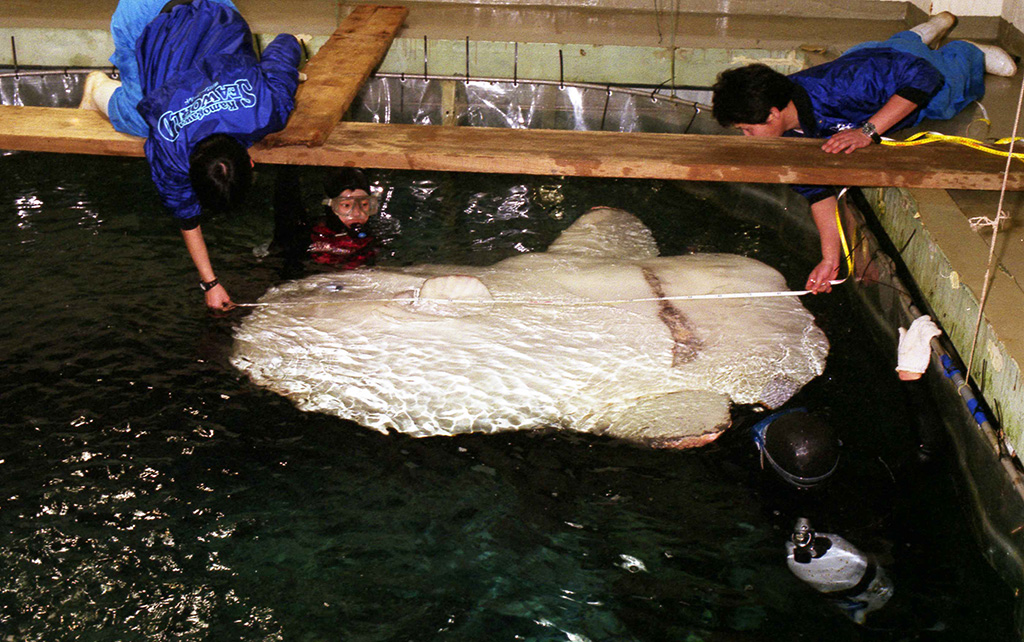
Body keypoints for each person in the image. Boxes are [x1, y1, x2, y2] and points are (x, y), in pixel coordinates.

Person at [711, 12, 1017, 294]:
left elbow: (924, 77)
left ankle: (966, 50)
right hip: (875, 59)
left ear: (773, 114)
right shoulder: (786, 135)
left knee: (946, 91)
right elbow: (818, 192)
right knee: (891, 52)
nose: (746, 137)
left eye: (747, 129)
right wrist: (830, 259)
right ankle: (920, 33)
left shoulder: (840, 86)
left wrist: (867, 131)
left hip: (907, 68)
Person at [78, 0, 304, 310]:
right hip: (154, 14)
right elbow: (184, 214)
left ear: (250, 161)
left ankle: (101, 87)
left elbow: (285, 42)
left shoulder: (266, 109)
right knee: (137, 117)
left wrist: (292, 62)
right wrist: (209, 283)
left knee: (143, 115)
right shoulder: (169, 146)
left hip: (195, 9)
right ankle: (97, 89)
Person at [271, 166, 378, 271]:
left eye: (364, 204)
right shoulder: (309, 237)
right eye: (346, 205)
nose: (357, 213)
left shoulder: (373, 236)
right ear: (331, 207)